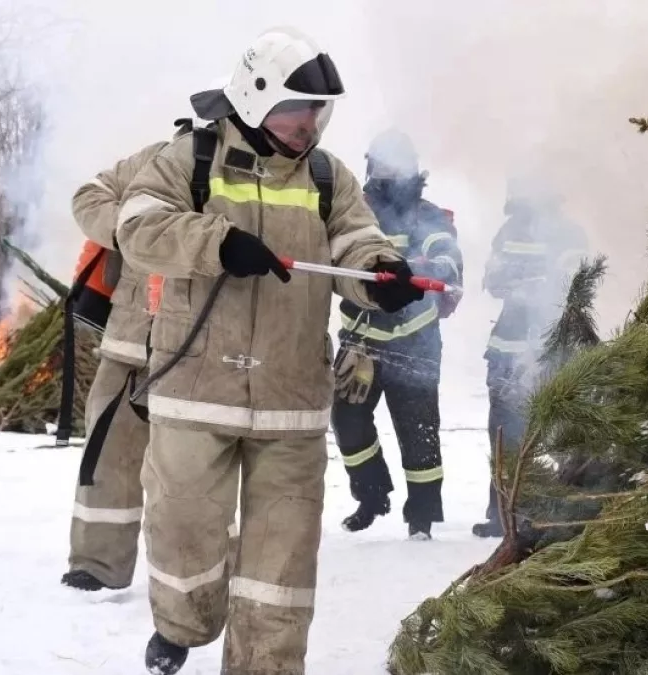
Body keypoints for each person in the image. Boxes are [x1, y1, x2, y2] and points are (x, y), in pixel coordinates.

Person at [115, 26, 422, 675]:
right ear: (255, 97)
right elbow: (138, 227)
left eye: (318, 111)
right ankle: (182, 623)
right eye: (296, 109)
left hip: (291, 402)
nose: (309, 124)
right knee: (183, 530)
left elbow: (355, 242)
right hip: (194, 393)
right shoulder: (190, 157)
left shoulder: (327, 176)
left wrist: (380, 273)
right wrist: (217, 242)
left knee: (281, 568)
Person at [331, 129, 463, 540]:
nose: (388, 173)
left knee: (418, 431)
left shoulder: (428, 215)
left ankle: (421, 518)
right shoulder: (356, 212)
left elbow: (447, 253)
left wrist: (429, 268)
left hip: (415, 344)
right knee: (347, 421)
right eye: (383, 164)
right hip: (361, 342)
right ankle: (371, 496)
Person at [61, 137, 174, 592]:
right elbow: (89, 197)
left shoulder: (251, 170)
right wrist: (133, 230)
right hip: (129, 344)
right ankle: (96, 564)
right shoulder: (158, 157)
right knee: (106, 461)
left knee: (195, 473)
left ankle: (198, 573)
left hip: (203, 357)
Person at [472, 172, 588, 538]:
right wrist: (511, 280)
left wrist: (537, 289)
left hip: (550, 349)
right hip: (505, 349)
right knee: (503, 435)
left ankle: (564, 509)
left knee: (556, 434)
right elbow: (491, 279)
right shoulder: (508, 232)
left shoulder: (569, 234)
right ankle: (502, 515)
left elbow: (573, 287)